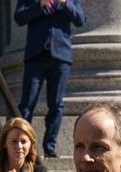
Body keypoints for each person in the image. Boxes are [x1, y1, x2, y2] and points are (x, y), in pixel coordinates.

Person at [14, 0, 85, 158]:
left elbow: (80, 19)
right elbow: (19, 17)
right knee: (27, 103)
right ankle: (22, 144)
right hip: (35, 56)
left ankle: (50, 146)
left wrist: (65, 3)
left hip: (60, 56)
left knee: (56, 104)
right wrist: (40, 5)